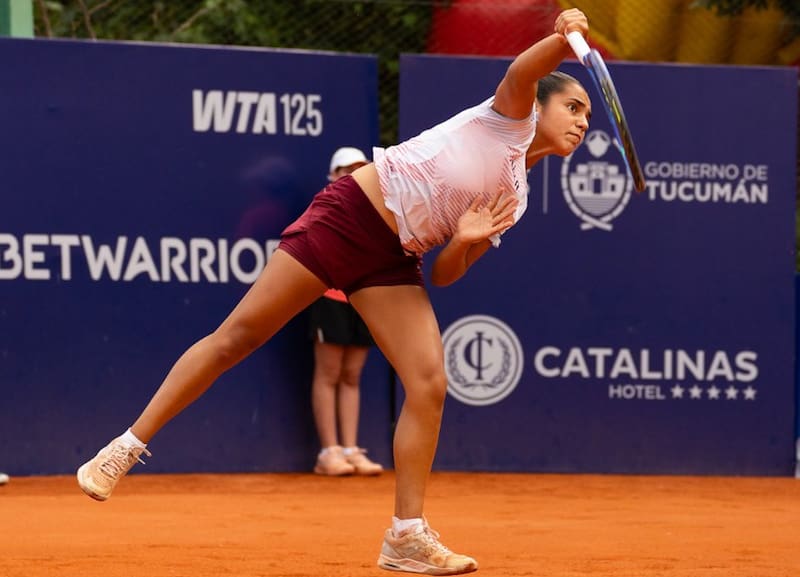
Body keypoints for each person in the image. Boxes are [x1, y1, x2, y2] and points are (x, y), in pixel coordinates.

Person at [77, 8, 592, 575]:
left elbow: (446, 275)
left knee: (429, 382)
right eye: (573, 106)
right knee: (236, 338)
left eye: (587, 115)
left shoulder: (515, 196)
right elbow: (523, 70)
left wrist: (465, 242)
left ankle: (406, 536)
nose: (581, 122)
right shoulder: (508, 118)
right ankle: (124, 446)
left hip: (396, 258)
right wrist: (561, 39)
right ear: (539, 104)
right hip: (350, 217)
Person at [309, 147, 384, 477]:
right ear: (333, 176)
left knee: (352, 374)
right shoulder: (325, 207)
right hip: (329, 297)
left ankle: (351, 449)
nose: (353, 175)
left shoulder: (375, 209)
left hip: (362, 299)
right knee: (329, 373)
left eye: (360, 169)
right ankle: (329, 451)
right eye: (346, 170)